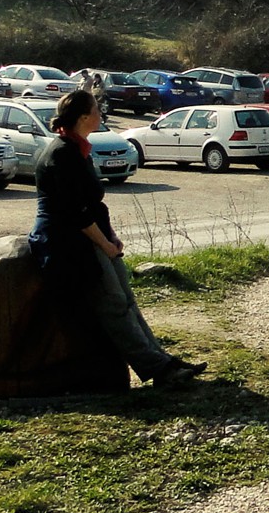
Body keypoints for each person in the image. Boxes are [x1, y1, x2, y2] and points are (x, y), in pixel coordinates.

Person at [29, 89, 204, 388]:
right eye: (97, 109)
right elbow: (76, 213)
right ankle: (158, 370)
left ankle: (164, 361)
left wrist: (112, 236)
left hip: (91, 236)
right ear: (84, 117)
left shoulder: (78, 148)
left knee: (127, 300)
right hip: (67, 242)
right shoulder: (61, 153)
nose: (101, 113)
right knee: (113, 306)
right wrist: (104, 243)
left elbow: (94, 205)